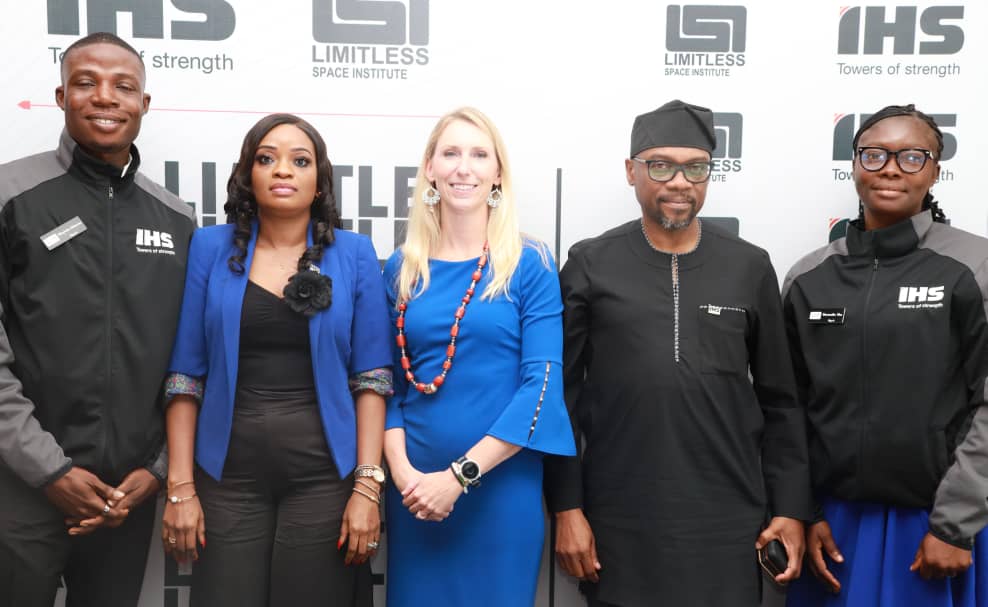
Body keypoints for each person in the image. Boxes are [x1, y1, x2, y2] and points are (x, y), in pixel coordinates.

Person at [543, 99, 812, 606]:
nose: (680, 182)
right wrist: (566, 507)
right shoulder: (590, 264)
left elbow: (781, 401)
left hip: (728, 522)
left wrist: (790, 509)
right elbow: (560, 400)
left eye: (696, 168)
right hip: (619, 520)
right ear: (632, 171)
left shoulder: (749, 266)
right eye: (661, 166)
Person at [162, 113, 392, 606]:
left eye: (300, 161)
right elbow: (185, 377)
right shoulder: (208, 247)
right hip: (225, 477)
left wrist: (367, 488)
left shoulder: (354, 254)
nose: (283, 170)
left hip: (325, 478)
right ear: (248, 175)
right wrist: (180, 487)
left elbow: (372, 379)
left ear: (319, 181)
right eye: (267, 158)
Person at [0, 32, 195, 606]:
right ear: (62, 97)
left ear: (144, 104)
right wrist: (49, 470)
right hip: (22, 486)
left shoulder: (178, 218)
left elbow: (190, 360)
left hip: (125, 495)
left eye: (123, 86)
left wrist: (157, 470)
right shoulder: (11, 195)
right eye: (86, 83)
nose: (105, 97)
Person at [783, 104, 988, 606]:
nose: (891, 168)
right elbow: (787, 407)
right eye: (874, 155)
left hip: (937, 525)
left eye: (912, 156)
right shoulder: (809, 276)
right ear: (854, 164)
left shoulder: (974, 266)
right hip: (830, 529)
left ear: (935, 171)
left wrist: (955, 524)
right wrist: (803, 510)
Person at [382, 107, 576, 606]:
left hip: (499, 493)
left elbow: (541, 388)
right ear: (430, 168)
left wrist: (458, 477)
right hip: (415, 497)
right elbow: (386, 387)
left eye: (478, 154)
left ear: (497, 173)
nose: (463, 168)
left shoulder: (530, 263)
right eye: (450, 153)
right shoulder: (401, 268)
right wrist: (405, 478)